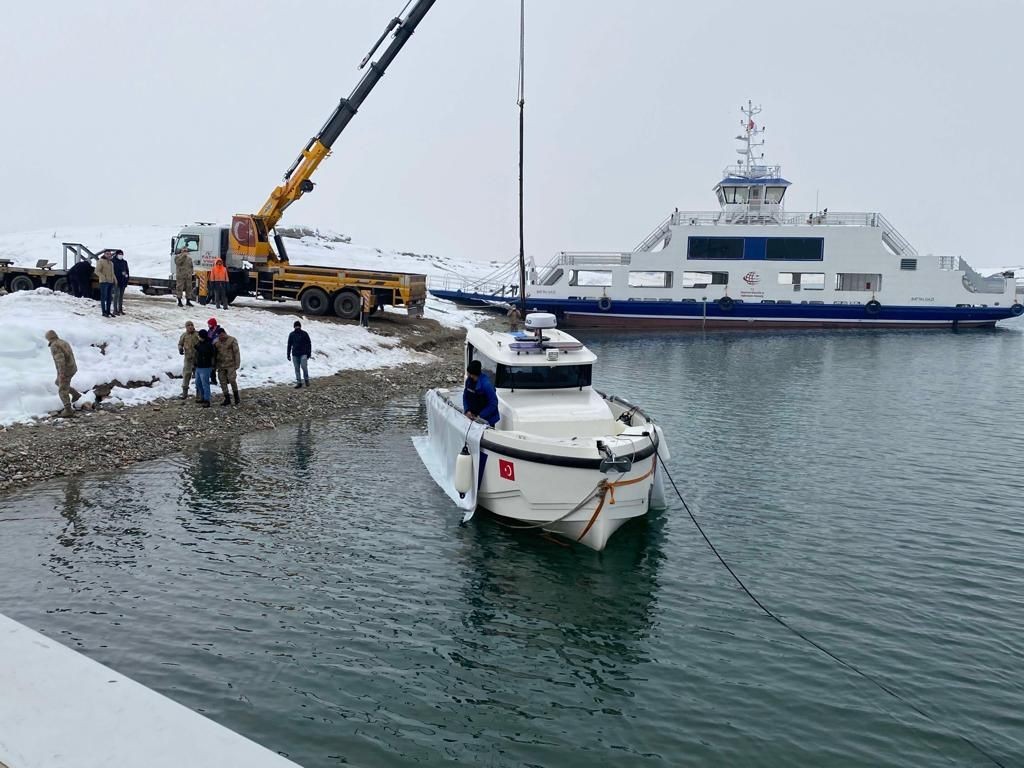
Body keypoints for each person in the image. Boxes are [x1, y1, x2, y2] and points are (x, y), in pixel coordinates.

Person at [45, 330, 81, 418]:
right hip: (72, 367)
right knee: (58, 382)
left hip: (66, 370)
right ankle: (75, 394)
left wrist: (62, 373)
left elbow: (60, 360)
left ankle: (68, 410)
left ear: (48, 338)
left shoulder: (54, 345)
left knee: (62, 390)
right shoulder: (63, 342)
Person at [463, 359, 499, 427]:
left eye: (471, 374)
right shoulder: (469, 381)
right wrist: (467, 410)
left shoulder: (486, 385)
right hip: (473, 416)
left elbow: (493, 403)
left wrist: (480, 416)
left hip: (487, 419)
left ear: (475, 374)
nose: (470, 376)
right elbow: (465, 396)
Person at [214, 326, 241, 406]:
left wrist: (237, 364)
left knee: (232, 380)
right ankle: (227, 398)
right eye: (219, 335)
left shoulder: (232, 340)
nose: (221, 337)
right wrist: (214, 365)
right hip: (221, 365)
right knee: (222, 381)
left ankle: (236, 397)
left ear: (224, 333)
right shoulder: (216, 342)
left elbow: (236, 352)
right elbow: (214, 354)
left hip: (231, 364)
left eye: (222, 335)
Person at [177, 320, 200, 400]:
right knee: (186, 374)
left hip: (197, 358)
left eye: (191, 325)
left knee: (198, 376)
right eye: (188, 325)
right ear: (186, 327)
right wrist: (180, 348)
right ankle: (184, 393)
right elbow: (180, 343)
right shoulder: (184, 335)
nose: (190, 326)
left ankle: (199, 394)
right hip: (188, 358)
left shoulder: (197, 334)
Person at [193, 329, 215, 408]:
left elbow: (212, 355)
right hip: (199, 366)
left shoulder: (209, 345)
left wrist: (212, 365)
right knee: (198, 383)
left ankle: (207, 400)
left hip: (206, 367)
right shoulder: (200, 343)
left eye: (199, 336)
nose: (198, 337)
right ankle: (202, 397)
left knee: (205, 384)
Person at [287, 320, 312, 388]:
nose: (297, 327)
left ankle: (306, 380)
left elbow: (309, 344)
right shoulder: (291, 334)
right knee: (297, 369)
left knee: (304, 367)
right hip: (295, 354)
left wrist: (309, 353)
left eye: (298, 326)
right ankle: (299, 382)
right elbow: (289, 345)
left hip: (303, 353)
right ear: (294, 327)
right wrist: (288, 354)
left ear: (300, 326)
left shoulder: (304, 334)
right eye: (296, 326)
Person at [95, 252, 116, 317]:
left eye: (110, 254)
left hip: (110, 282)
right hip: (104, 282)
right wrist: (103, 277)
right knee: (103, 297)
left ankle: (108, 311)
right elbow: (97, 271)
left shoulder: (111, 263)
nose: (109, 255)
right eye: (107, 254)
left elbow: (112, 272)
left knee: (109, 298)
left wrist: (115, 279)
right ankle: (103, 312)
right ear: (104, 254)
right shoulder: (101, 261)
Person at [112, 250, 130, 315]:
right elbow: (112, 271)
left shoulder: (124, 262)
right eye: (119, 254)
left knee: (121, 296)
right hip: (116, 281)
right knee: (116, 295)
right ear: (116, 255)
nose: (121, 255)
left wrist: (126, 277)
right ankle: (115, 310)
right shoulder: (113, 261)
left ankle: (120, 309)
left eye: (122, 254)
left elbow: (127, 271)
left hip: (123, 281)